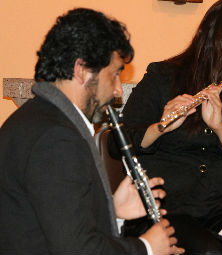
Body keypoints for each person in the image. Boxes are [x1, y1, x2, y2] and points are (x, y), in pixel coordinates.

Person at [0, 8, 184, 255]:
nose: (119, 90)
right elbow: (76, 249)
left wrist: (113, 213)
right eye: (115, 74)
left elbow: (53, 224)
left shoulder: (34, 120)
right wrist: (147, 247)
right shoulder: (56, 139)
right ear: (83, 71)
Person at [109, 0, 222, 254]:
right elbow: (117, 143)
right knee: (208, 251)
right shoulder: (163, 76)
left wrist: (220, 128)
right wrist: (162, 126)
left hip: (218, 205)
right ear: (221, 38)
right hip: (166, 205)